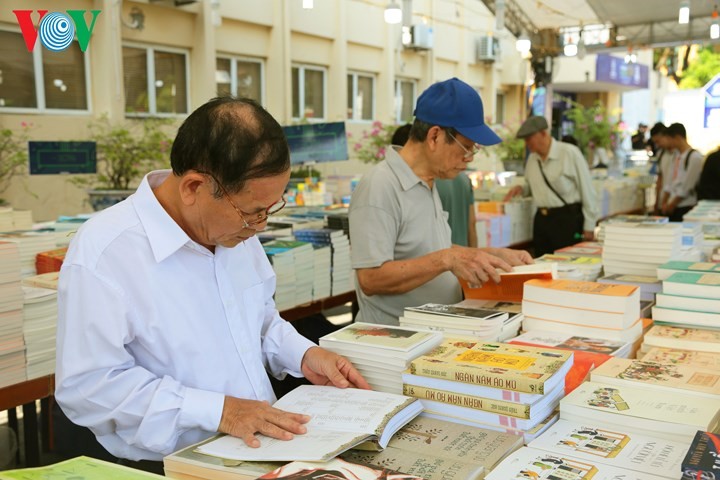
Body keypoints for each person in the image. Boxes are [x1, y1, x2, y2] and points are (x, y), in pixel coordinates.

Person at [55, 97, 370, 472]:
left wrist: (302, 355)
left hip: (261, 445)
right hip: (173, 463)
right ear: (193, 186)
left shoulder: (237, 234)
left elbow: (259, 319)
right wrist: (220, 411)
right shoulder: (106, 252)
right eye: (253, 212)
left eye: (271, 209)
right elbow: (90, 386)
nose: (261, 226)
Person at [349, 78, 533, 326]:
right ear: (434, 136)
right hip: (396, 342)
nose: (469, 158)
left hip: (437, 332)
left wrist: (490, 256)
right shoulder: (380, 186)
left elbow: (432, 249)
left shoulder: (429, 181)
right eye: (466, 147)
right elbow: (370, 278)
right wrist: (447, 259)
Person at [504, 116, 599, 257]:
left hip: (567, 220)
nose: (527, 143)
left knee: (568, 266)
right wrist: (522, 189)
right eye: (525, 140)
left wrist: (589, 226)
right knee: (542, 267)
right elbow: (532, 186)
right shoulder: (532, 159)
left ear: (543, 133)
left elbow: (588, 191)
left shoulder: (569, 153)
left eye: (529, 138)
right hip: (542, 222)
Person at [392, 123, 477, 247]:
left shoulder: (434, 179)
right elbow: (472, 224)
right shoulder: (462, 179)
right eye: (465, 148)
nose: (469, 158)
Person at [659, 122, 704, 221]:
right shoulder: (676, 155)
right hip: (672, 203)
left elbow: (687, 186)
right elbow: (669, 181)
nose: (669, 143)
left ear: (678, 137)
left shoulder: (694, 157)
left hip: (686, 205)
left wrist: (671, 205)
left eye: (670, 139)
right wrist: (665, 202)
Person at [648, 122, 674, 214]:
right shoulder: (661, 154)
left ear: (666, 136)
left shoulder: (679, 155)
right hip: (662, 202)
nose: (658, 145)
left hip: (675, 202)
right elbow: (660, 179)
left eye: (658, 141)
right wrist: (657, 202)